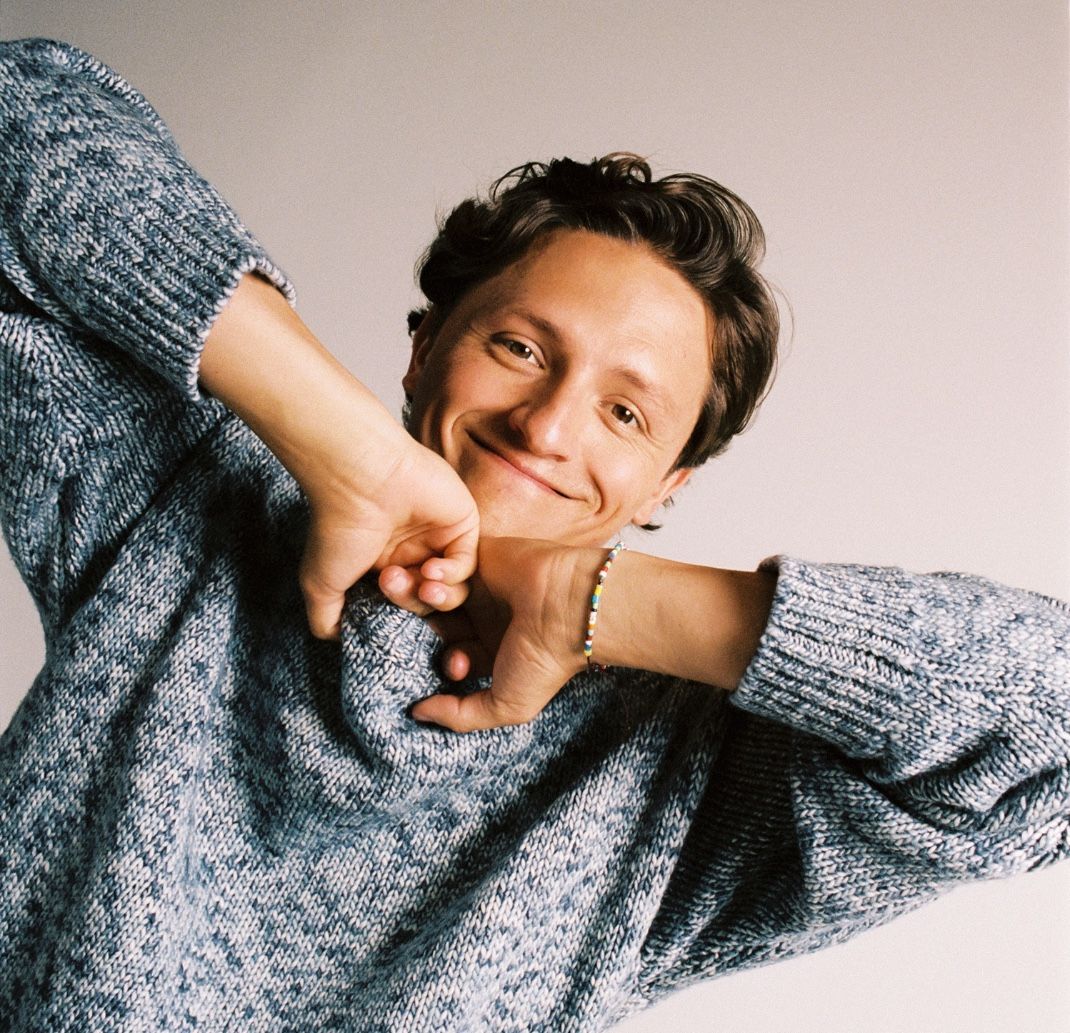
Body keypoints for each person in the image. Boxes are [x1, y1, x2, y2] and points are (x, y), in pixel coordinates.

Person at [0, 37, 1066, 1033]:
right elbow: (23, 111)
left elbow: (1048, 737)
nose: (546, 427)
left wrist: (587, 599)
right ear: (424, 347)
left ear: (667, 483)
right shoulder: (182, 500)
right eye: (518, 347)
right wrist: (348, 445)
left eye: (625, 413)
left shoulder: (681, 774)